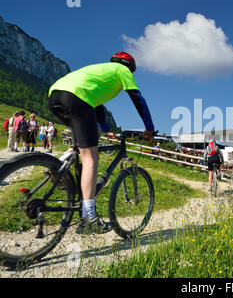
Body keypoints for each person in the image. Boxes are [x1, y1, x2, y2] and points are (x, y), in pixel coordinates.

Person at [48, 52, 156, 234]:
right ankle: (89, 217)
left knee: (87, 140)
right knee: (90, 157)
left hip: (56, 95)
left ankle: (61, 164)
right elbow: (137, 98)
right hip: (77, 99)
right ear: (130, 66)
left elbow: (97, 107)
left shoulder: (101, 72)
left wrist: (106, 130)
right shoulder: (123, 70)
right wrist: (150, 128)